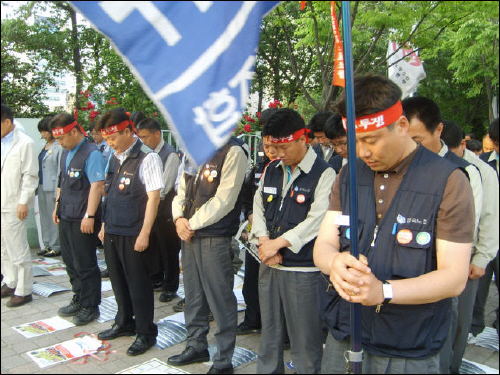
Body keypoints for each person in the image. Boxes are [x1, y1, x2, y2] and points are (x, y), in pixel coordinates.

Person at [314, 75, 474, 374]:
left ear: (401, 126)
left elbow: (454, 278)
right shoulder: (348, 175)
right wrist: (334, 262)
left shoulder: (447, 180)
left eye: (371, 140)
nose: (362, 152)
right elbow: (324, 243)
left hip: (409, 344)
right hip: (346, 333)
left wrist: (384, 291)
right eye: (355, 142)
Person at [250, 108, 336, 374]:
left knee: (304, 338)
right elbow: (259, 206)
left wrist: (280, 243)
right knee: (270, 333)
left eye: (284, 147)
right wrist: (265, 241)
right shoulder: (272, 170)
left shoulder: (324, 173)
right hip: (270, 264)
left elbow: (317, 218)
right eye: (274, 148)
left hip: (303, 270)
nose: (278, 154)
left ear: (304, 139)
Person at [403, 97, 484, 374]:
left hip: (438, 275)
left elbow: (466, 230)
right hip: (401, 277)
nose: (411, 147)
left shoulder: (461, 172)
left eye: (417, 139)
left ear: (438, 131)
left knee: (441, 346)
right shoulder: (397, 165)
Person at [168, 136, 248, 374]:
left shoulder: (234, 152)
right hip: (189, 233)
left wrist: (190, 223)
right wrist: (178, 218)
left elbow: (225, 199)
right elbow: (180, 188)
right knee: (193, 293)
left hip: (214, 234)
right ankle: (196, 344)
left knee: (219, 297)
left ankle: (223, 360)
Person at [96, 108, 163, 356]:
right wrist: (103, 225)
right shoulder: (114, 157)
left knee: (138, 284)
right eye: (107, 139)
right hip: (113, 229)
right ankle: (124, 321)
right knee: (118, 280)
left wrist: (145, 233)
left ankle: (145, 332)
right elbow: (110, 193)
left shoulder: (148, 158)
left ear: (127, 131)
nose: (110, 143)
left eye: (113, 138)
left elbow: (154, 198)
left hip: (135, 232)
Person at [440, 119, 499, 373]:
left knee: (459, 324)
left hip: (468, 256)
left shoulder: (480, 171)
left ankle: (452, 366)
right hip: (439, 257)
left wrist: (481, 259)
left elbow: (489, 218)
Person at [50, 112, 104, 325]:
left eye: (62, 137)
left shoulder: (92, 153)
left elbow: (97, 186)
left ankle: (90, 306)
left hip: (83, 216)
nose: (60, 142)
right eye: (57, 139)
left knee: (85, 262)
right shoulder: (65, 153)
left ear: (74, 131)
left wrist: (90, 215)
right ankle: (79, 296)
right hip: (66, 214)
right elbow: (62, 183)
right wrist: (57, 207)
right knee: (70, 260)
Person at [238, 107, 278, 335]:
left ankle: (277, 327)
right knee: (251, 279)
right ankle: (253, 319)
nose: (270, 150)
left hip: (279, 238)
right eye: (266, 144)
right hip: (257, 235)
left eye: (274, 145)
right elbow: (247, 198)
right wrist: (252, 221)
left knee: (274, 284)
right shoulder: (259, 168)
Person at [136, 117, 181, 303]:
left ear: (157, 134)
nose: (143, 141)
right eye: (140, 137)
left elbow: (165, 187)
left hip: (164, 210)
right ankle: (156, 278)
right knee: (153, 245)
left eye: (146, 137)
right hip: (149, 206)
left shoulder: (169, 155)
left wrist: (152, 200)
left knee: (168, 248)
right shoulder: (144, 155)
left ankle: (170, 286)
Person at [1, 104, 38, 307]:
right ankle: (10, 281)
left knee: (18, 248)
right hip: (1, 201)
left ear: (8, 122)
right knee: (3, 247)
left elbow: (30, 176)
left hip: (15, 204)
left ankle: (24, 290)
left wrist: (24, 201)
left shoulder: (25, 143)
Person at [472, 118, 500, 338]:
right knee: (479, 287)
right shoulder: (482, 165)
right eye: (497, 143)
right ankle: (474, 327)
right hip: (487, 233)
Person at [36, 116, 63, 257]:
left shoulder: (58, 146)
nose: (43, 134)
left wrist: (57, 190)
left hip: (52, 187)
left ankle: (56, 245)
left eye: (44, 131)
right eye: (41, 132)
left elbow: (59, 169)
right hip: (41, 185)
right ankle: (47, 244)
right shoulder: (45, 146)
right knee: (44, 216)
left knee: (53, 217)